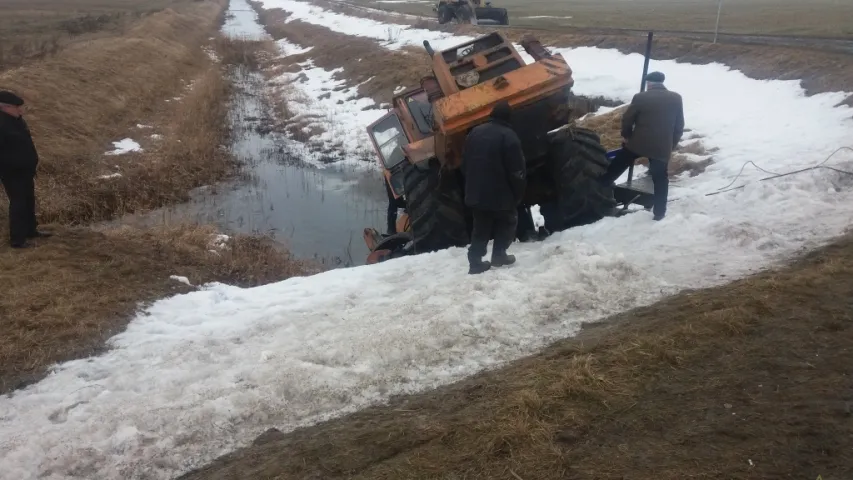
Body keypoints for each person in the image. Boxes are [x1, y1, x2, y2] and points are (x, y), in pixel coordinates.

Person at [600, 71, 685, 221]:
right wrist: (671, 145)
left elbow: (627, 119)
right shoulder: (676, 98)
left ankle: (601, 188)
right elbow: (679, 125)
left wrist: (626, 137)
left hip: (638, 143)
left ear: (649, 83)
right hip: (661, 146)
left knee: (618, 165)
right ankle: (659, 213)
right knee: (660, 179)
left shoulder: (640, 97)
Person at [461, 100, 526, 275]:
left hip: (476, 191)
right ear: (508, 118)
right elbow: (516, 170)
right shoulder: (509, 136)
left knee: (480, 227)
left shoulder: (474, 133)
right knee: (508, 221)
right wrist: (518, 193)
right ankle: (499, 255)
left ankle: (475, 262)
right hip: (500, 192)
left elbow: (464, 164)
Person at [0, 91, 50, 249]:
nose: (21, 111)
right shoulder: (1, 124)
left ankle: (30, 230)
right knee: (18, 203)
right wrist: (12, 166)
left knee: (29, 200)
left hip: (25, 170)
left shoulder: (17, 121)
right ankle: (17, 239)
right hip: (12, 172)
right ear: (5, 107)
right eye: (17, 107)